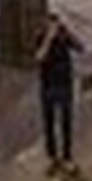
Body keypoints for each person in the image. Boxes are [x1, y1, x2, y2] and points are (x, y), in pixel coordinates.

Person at [33, 15, 84, 171]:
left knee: (66, 122)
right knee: (49, 123)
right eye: (51, 24)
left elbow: (80, 48)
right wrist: (49, 38)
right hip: (48, 86)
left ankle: (67, 157)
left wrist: (68, 34)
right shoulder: (40, 37)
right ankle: (52, 158)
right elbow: (39, 57)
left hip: (64, 85)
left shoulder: (63, 37)